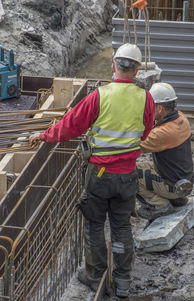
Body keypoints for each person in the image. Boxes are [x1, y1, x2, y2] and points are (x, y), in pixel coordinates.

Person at [29, 43, 155, 297]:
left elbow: (70, 127)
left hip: (99, 175)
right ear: (137, 70)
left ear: (114, 66)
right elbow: (146, 131)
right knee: (121, 227)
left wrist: (43, 134)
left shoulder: (100, 96)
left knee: (95, 226)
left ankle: (95, 276)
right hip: (127, 175)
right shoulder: (146, 99)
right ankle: (122, 280)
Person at [137, 82, 194, 221]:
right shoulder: (181, 118)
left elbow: (134, 145)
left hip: (172, 184)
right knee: (147, 166)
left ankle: (160, 205)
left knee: (129, 173)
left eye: (151, 106)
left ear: (160, 108)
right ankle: (177, 200)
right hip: (185, 181)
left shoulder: (162, 134)